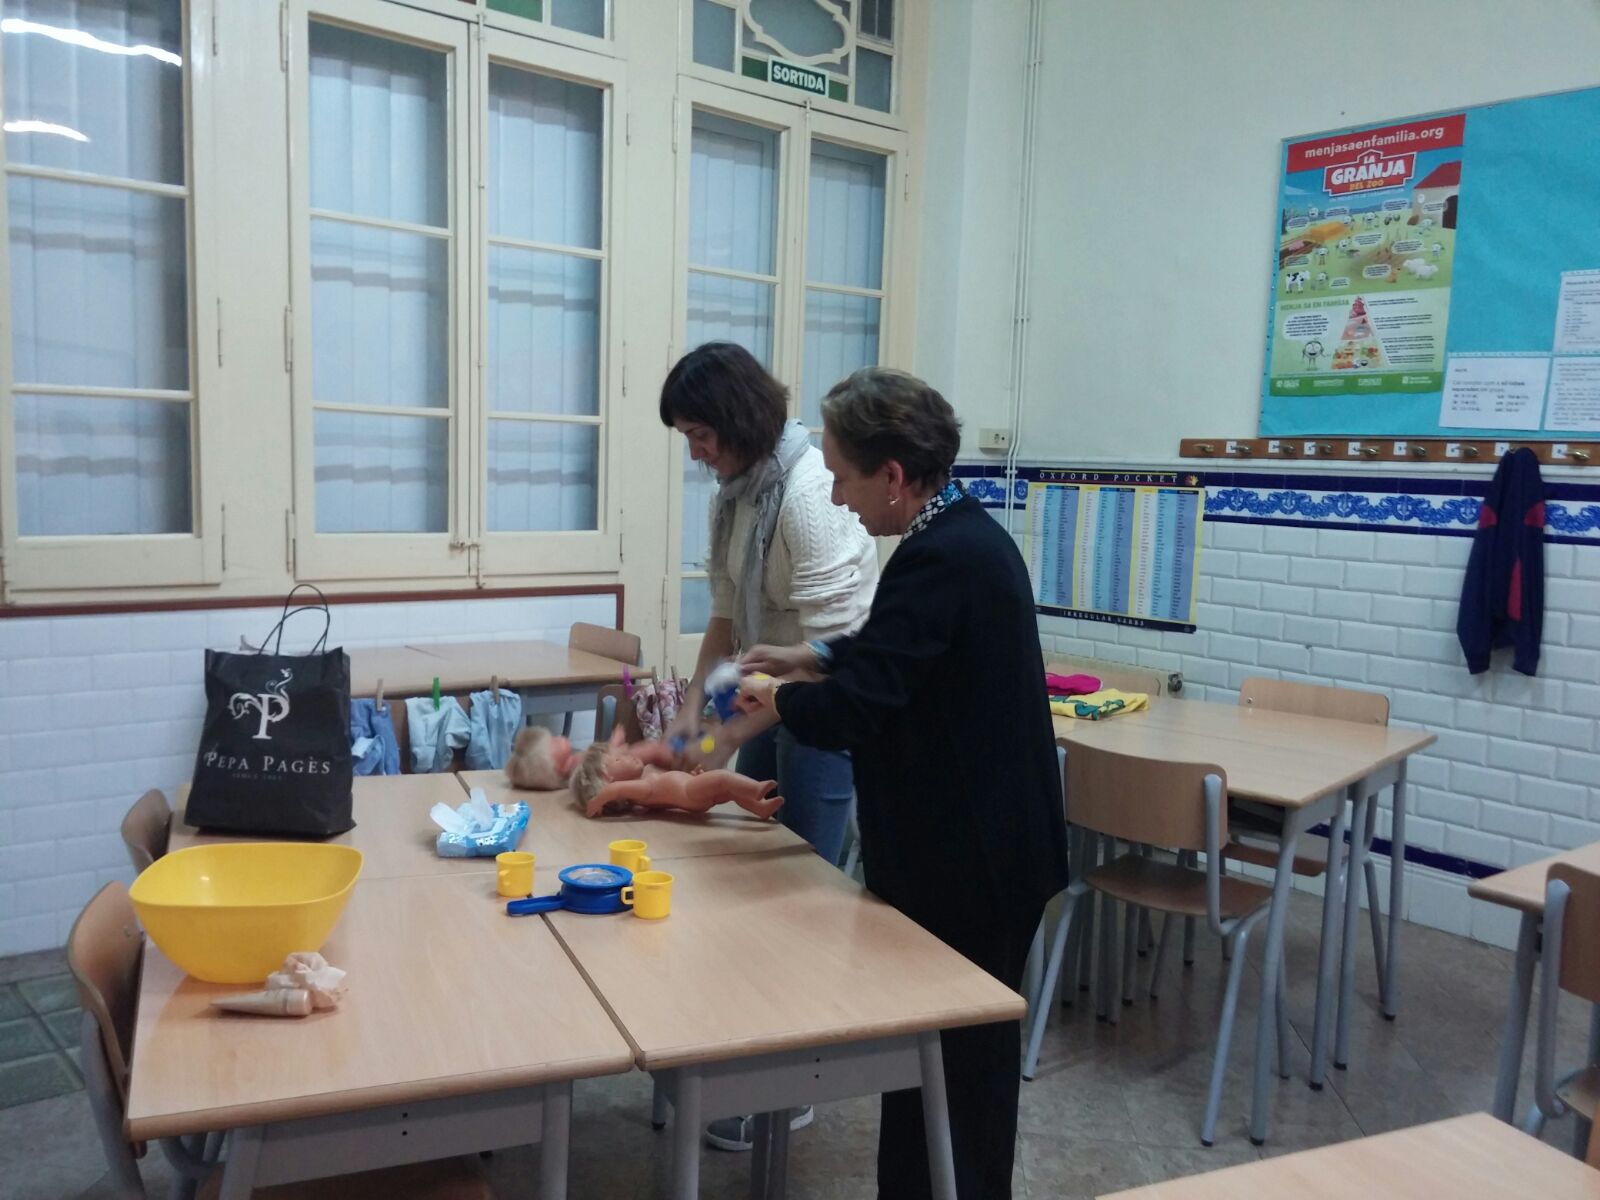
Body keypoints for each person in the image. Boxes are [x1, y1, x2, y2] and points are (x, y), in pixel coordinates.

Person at [724, 367, 1070, 1198]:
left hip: (978, 863)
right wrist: (812, 655)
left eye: (843, 477)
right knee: (937, 1063)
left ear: (893, 475)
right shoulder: (957, 537)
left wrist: (780, 699)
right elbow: (903, 649)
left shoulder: (943, 555)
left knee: (962, 1071)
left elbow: (862, 706)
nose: (838, 498)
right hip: (980, 851)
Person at [660, 341, 880, 1152]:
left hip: (827, 706)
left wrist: (718, 738)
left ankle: (792, 1090)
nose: (695, 453)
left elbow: (826, 660)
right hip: (770, 690)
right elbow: (727, 627)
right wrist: (690, 724)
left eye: (700, 434)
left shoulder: (809, 497)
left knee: (799, 899)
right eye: (686, 436)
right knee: (748, 881)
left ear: (737, 420)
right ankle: (743, 1055)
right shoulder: (736, 496)